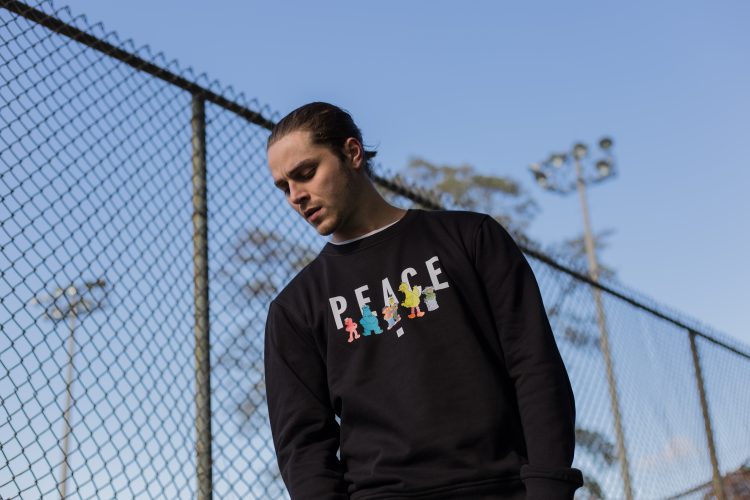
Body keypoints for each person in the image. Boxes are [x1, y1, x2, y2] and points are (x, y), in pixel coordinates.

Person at [264, 102, 583, 500]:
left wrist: (549, 489)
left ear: (352, 153)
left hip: (503, 486)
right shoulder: (294, 308)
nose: (296, 196)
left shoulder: (471, 239)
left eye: (305, 173)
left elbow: (535, 367)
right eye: (283, 186)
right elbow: (304, 448)